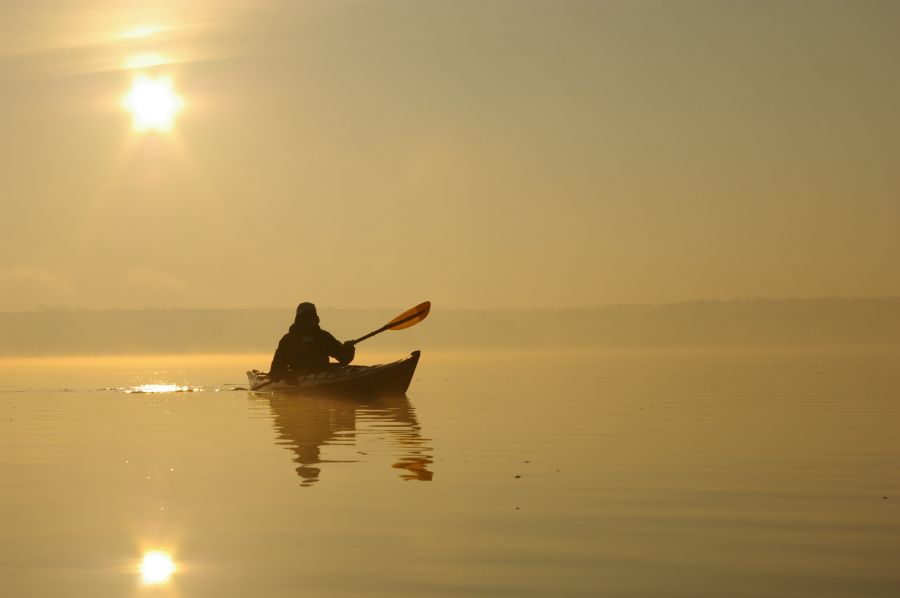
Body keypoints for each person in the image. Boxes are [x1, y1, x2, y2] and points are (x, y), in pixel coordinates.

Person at [268, 302, 355, 382]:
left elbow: (344, 358)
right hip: (297, 377)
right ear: (298, 319)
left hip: (322, 373)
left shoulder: (324, 337)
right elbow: (276, 368)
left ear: (316, 319)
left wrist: (348, 348)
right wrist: (286, 376)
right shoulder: (288, 340)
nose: (308, 320)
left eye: (310, 316)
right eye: (304, 317)